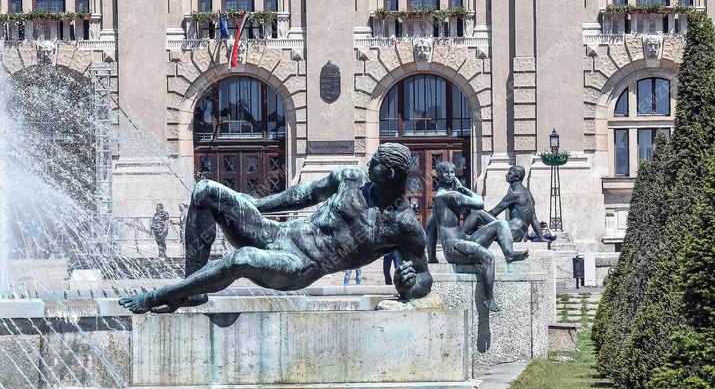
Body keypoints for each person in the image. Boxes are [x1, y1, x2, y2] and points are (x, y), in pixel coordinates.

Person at [119, 143, 433, 314]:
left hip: (299, 266)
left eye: (375, 163)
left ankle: (159, 296)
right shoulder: (351, 179)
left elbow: (423, 278)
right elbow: (303, 194)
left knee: (242, 259)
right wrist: (254, 207)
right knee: (205, 192)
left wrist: (408, 285)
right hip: (277, 234)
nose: (369, 165)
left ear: (389, 173)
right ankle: (192, 291)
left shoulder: (401, 224)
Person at [426, 161, 528, 312]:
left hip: (461, 241)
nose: (450, 175)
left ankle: (509, 254)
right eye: (446, 172)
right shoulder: (451, 196)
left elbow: (430, 230)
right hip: (454, 247)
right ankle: (488, 299)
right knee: (488, 256)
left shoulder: (439, 200)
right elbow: (479, 202)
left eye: (452, 172)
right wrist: (463, 189)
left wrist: (432, 257)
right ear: (439, 176)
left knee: (501, 224)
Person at [487, 166, 545, 242]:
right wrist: (541, 237)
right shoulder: (527, 193)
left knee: (478, 214)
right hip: (518, 235)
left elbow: (494, 212)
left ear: (517, 177)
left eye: (509, 173)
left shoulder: (514, 194)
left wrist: (481, 220)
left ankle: (466, 234)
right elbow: (534, 219)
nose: (506, 175)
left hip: (509, 232)